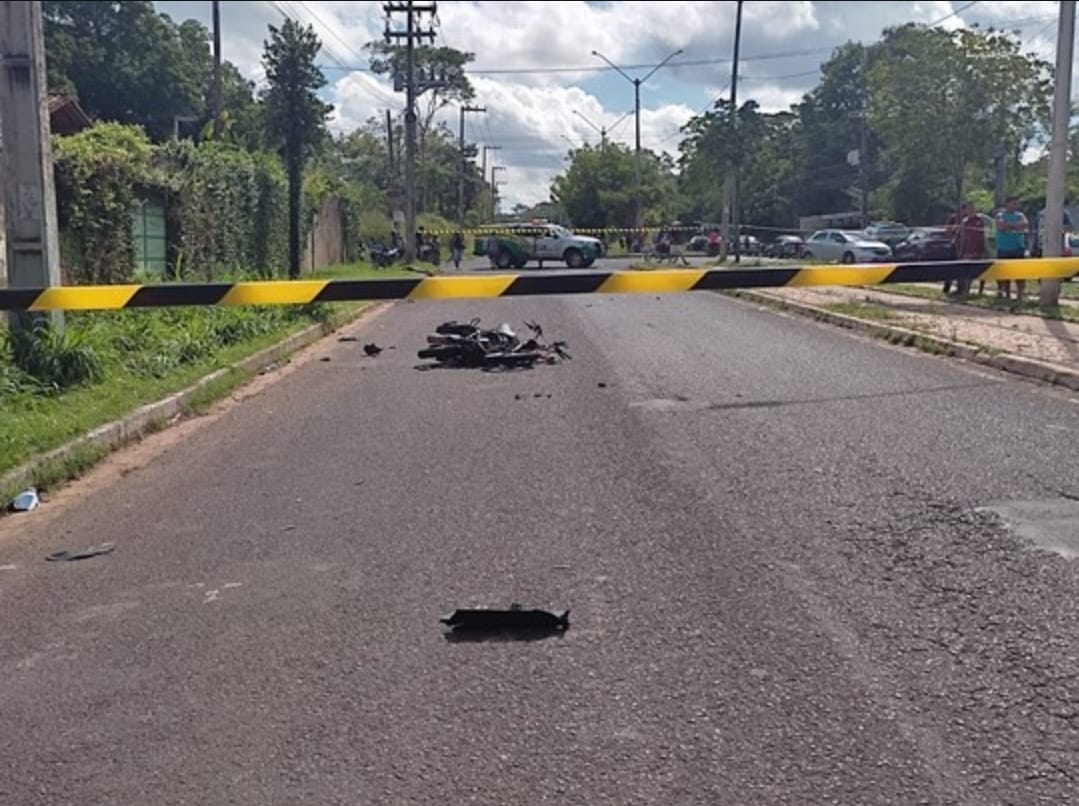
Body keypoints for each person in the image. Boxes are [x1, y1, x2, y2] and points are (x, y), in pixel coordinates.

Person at [995, 195, 1028, 301]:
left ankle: (1020, 294)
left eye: (1017, 203)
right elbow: (1000, 225)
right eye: (1014, 203)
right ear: (1007, 203)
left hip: (1018, 248)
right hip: (1004, 248)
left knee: (1020, 273)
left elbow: (1024, 224)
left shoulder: (1020, 215)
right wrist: (1015, 226)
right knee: (1004, 273)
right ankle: (1006, 293)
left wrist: (1008, 226)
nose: (1016, 205)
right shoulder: (1000, 215)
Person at [951, 201, 986, 296]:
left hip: (977, 249)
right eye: (969, 209)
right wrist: (959, 249)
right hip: (966, 250)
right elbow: (960, 236)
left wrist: (983, 248)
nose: (971, 210)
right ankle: (964, 290)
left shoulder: (979, 221)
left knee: (979, 270)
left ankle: (979, 291)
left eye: (972, 208)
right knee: (965, 271)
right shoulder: (964, 222)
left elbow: (982, 235)